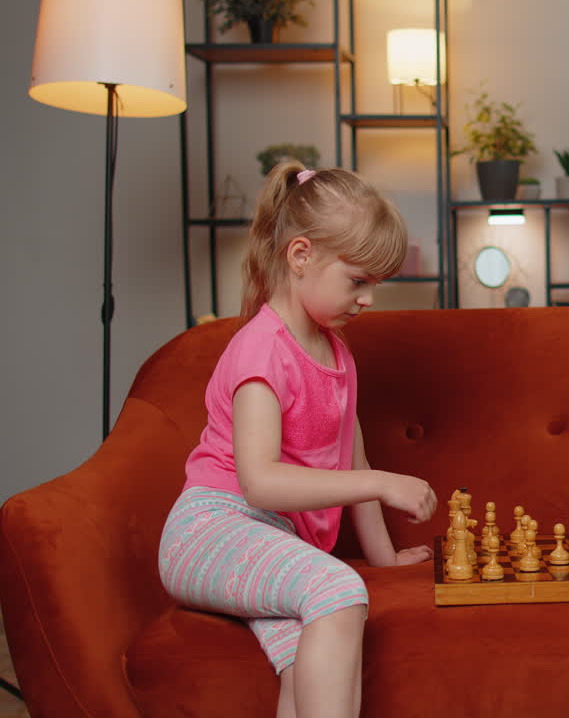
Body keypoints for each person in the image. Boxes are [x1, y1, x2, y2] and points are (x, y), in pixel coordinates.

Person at [158, 162, 439, 718]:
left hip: (271, 537)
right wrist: (384, 483)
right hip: (209, 530)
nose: (368, 299)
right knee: (339, 593)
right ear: (301, 255)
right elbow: (259, 483)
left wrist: (385, 560)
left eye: (375, 285)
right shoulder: (261, 348)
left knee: (302, 671)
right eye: (357, 281)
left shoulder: (337, 354)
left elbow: (352, 459)